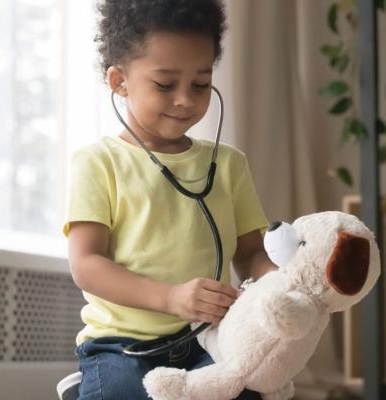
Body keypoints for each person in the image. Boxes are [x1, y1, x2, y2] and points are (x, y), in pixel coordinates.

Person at [63, 0, 276, 399]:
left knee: (248, 389)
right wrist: (171, 297)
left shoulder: (229, 165)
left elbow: (250, 254)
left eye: (200, 83)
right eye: (164, 84)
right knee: (124, 392)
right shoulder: (98, 162)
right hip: (121, 345)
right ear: (119, 81)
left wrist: (278, 283)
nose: (185, 100)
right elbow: (86, 264)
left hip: (208, 339)